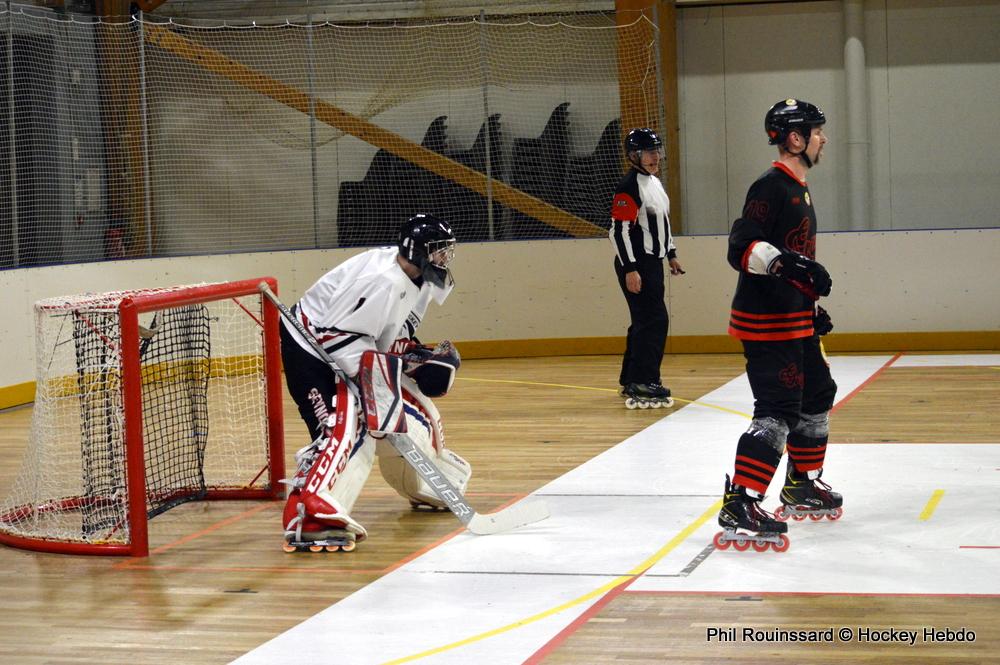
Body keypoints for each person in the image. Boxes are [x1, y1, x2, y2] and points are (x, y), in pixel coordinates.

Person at [278, 213, 470, 552]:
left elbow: (392, 334)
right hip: (309, 346)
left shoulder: (421, 279)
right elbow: (336, 337)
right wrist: (381, 378)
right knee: (345, 423)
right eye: (439, 250)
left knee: (408, 410)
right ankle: (307, 511)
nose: (444, 258)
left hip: (348, 344)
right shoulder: (381, 281)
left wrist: (412, 358)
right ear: (418, 250)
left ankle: (425, 481)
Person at [714, 98, 842, 552]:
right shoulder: (771, 186)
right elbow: (742, 246)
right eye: (817, 131)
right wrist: (792, 267)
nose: (823, 138)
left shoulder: (798, 187)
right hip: (767, 323)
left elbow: (792, 261)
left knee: (818, 393)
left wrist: (807, 304)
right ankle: (741, 501)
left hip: (792, 317)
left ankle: (801, 484)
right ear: (795, 138)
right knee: (777, 409)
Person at [609, 127, 685, 409]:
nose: (655, 157)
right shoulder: (629, 186)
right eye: (648, 152)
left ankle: (631, 377)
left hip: (652, 262)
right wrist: (630, 268)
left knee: (645, 320)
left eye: (657, 151)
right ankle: (644, 380)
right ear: (633, 156)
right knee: (654, 320)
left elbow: (662, 223)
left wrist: (671, 253)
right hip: (638, 263)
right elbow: (619, 232)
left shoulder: (653, 182)